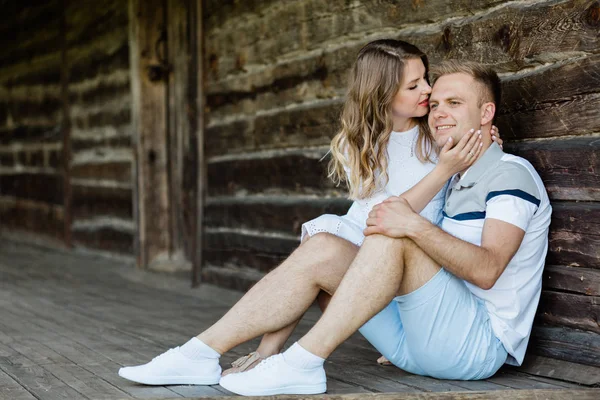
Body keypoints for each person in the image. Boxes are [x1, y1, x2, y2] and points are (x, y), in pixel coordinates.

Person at [117, 42, 521, 396]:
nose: (429, 93)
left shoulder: (434, 136)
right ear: (383, 95)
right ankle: (201, 353)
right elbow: (383, 216)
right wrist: (446, 166)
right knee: (326, 246)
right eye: (415, 87)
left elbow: (463, 141)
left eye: (426, 81)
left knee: (374, 238)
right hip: (375, 263)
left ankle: (289, 359)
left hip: (417, 282)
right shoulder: (364, 144)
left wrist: (485, 136)